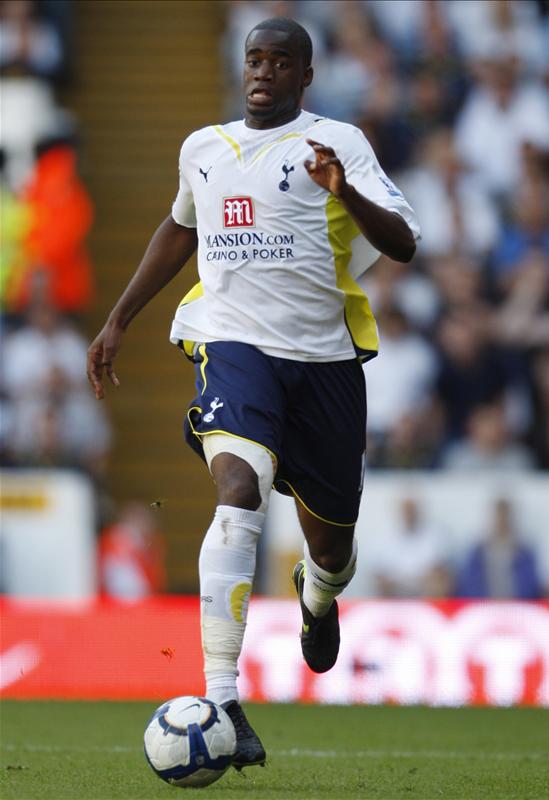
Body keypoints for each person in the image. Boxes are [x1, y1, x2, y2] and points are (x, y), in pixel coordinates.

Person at [87, 17, 419, 770]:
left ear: (305, 76)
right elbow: (179, 230)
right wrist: (117, 320)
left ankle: (319, 594)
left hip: (323, 362)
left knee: (331, 543)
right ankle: (224, 698)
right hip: (233, 344)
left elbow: (400, 241)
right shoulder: (202, 148)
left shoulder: (338, 143)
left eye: (279, 62)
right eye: (253, 60)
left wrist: (344, 191)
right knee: (237, 488)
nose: (262, 72)